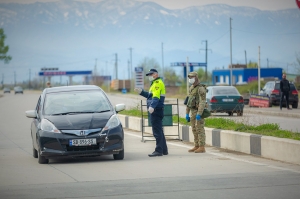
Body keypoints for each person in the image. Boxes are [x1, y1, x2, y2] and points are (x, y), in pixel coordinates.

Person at [134, 69, 168, 157]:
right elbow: (150, 96)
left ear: (156, 74)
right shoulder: (154, 83)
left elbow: (156, 97)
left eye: (151, 74)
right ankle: (164, 150)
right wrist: (141, 92)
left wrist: (152, 107)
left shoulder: (157, 83)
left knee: (157, 131)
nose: (149, 76)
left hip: (156, 110)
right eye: (148, 75)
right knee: (159, 130)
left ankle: (158, 150)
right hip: (158, 109)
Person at [185, 71, 207, 153]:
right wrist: (187, 113)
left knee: (200, 129)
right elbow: (189, 101)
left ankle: (202, 146)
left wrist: (199, 113)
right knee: (194, 129)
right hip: (193, 111)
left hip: (198, 112)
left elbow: (203, 102)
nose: (190, 79)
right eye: (189, 78)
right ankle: (196, 145)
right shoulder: (191, 88)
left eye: (192, 77)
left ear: (196, 78)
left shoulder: (200, 88)